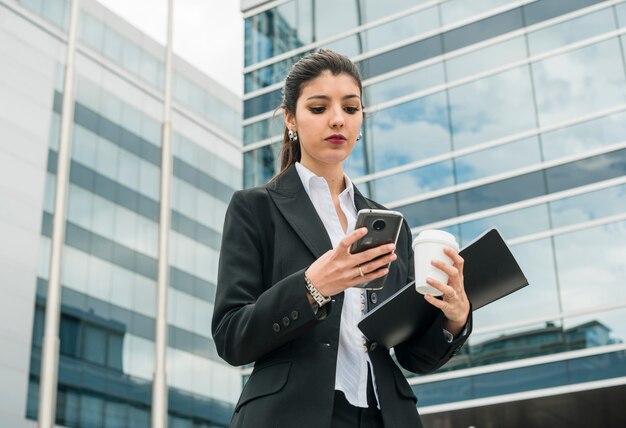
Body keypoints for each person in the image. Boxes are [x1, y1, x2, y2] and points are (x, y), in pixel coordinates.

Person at [211, 49, 471, 428]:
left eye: (350, 109)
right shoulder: (255, 208)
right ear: (290, 119)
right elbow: (232, 335)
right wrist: (313, 287)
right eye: (318, 109)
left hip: (385, 415)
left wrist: (454, 318)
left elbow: (414, 356)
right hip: (291, 414)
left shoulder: (390, 226)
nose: (337, 119)